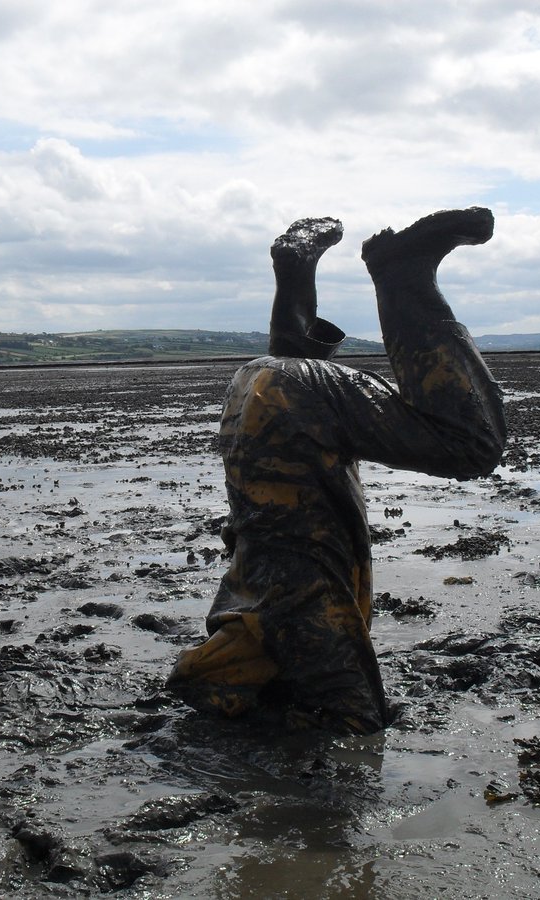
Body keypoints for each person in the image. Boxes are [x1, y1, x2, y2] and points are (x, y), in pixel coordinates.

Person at [166, 207, 507, 734]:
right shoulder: (243, 604)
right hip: (260, 388)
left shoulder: (294, 618)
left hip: (288, 395)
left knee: (470, 443)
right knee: (468, 444)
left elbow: (348, 712)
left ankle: (400, 274)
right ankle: (383, 272)